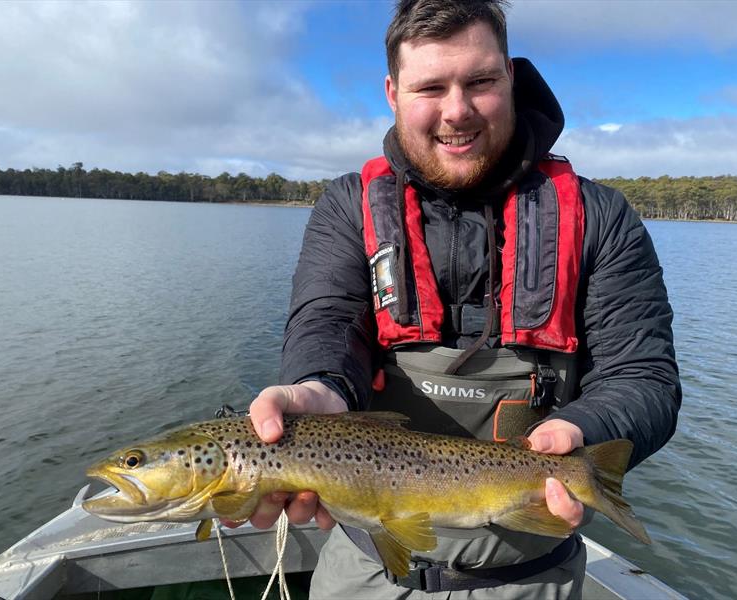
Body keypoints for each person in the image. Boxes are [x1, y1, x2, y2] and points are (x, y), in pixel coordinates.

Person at [223, 0, 681, 598]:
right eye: (431, 87)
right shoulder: (347, 207)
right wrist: (318, 386)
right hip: (365, 570)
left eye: (480, 82)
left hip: (531, 577)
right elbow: (328, 323)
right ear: (393, 93)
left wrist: (583, 429)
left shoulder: (601, 217)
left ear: (510, 78)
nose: (457, 110)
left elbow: (644, 378)